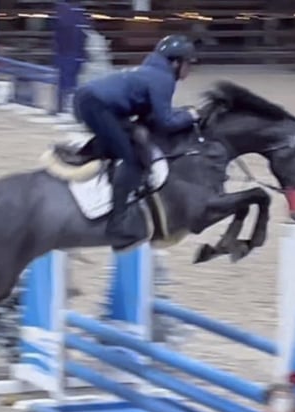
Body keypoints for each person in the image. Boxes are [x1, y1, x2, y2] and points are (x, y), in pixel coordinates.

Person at [71, 34, 199, 250]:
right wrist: (191, 116)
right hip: (96, 105)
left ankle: (89, 153)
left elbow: (152, 116)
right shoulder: (163, 79)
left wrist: (181, 113)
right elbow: (165, 121)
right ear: (176, 62)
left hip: (90, 100)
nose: (190, 69)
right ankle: (117, 225)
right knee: (131, 159)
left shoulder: (154, 71)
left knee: (127, 137)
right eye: (188, 63)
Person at [54, 0, 90, 114]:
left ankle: (65, 107)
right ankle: (66, 107)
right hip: (70, 52)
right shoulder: (74, 11)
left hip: (69, 52)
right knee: (69, 81)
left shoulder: (67, 10)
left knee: (67, 81)